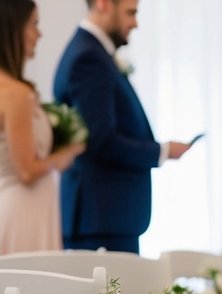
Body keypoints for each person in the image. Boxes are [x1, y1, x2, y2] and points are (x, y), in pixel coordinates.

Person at [53, 0, 193, 253]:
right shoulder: (89, 58)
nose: (135, 23)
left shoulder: (94, 53)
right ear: (104, 4)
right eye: (131, 13)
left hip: (105, 218)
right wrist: (160, 151)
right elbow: (101, 141)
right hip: (100, 218)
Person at [0, 0, 85, 254]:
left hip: (24, 207)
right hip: (23, 210)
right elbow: (26, 171)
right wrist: (65, 155)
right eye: (34, 25)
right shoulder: (16, 95)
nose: (40, 33)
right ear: (14, 30)